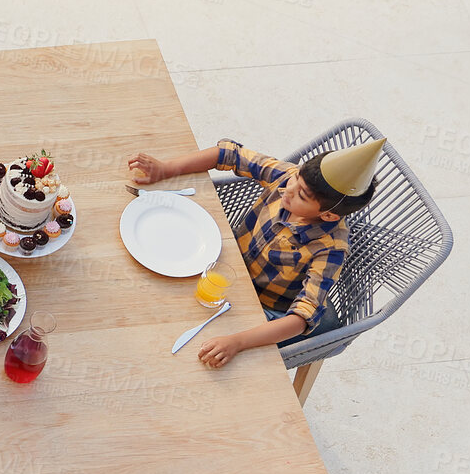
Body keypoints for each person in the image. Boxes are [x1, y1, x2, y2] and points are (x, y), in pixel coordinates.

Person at [128, 136, 385, 368]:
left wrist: (237, 342)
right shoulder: (289, 178)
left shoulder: (330, 249)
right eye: (296, 178)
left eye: (302, 196)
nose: (288, 188)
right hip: (224, 263)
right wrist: (166, 168)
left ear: (327, 215)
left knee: (182, 348)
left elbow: (300, 318)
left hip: (262, 307)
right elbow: (229, 154)